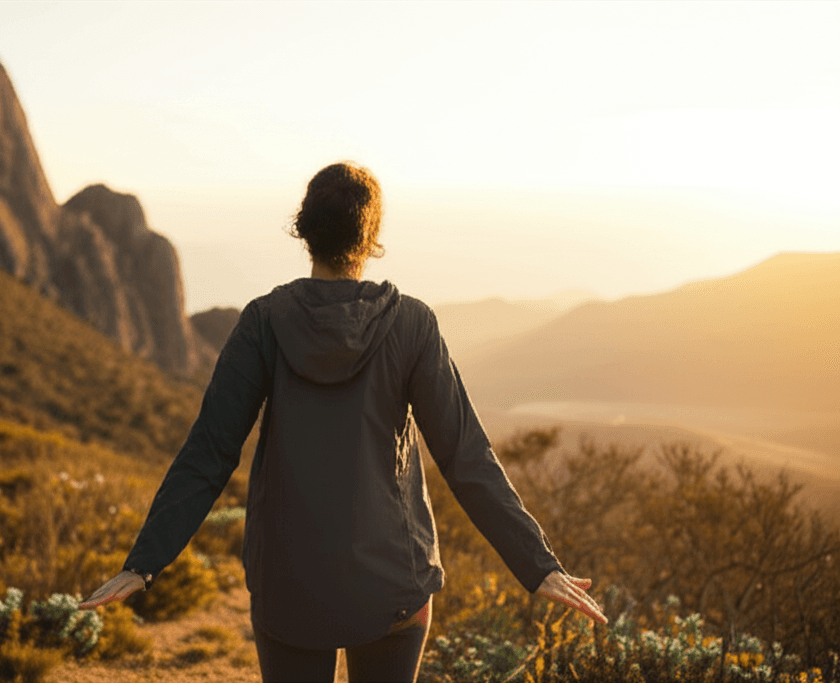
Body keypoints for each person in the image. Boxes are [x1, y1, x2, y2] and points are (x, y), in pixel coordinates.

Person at [79, 162, 607, 682]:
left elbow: (209, 453)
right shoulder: (411, 325)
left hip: (289, 586)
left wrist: (144, 562)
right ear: (371, 235)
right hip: (394, 585)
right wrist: (537, 566)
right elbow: (465, 455)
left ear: (304, 230)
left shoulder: (263, 322)